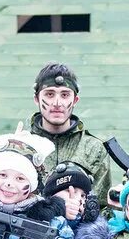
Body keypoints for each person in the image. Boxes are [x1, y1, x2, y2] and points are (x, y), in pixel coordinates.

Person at [27, 62, 111, 204]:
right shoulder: (23, 145)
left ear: (75, 100)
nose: (57, 103)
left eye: (65, 95)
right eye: (49, 94)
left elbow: (102, 207)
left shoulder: (93, 148)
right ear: (36, 99)